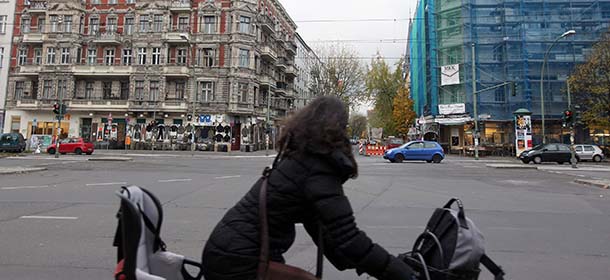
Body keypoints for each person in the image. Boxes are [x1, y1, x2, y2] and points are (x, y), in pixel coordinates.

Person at [202, 96, 416, 280]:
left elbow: (324, 232)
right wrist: (403, 274)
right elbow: (348, 238)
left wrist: (361, 261)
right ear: (337, 128)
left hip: (227, 253)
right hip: (239, 260)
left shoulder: (300, 160)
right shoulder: (316, 168)